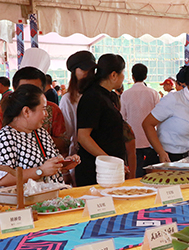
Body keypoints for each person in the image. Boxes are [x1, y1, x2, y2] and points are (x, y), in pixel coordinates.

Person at [0, 85, 80, 187]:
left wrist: (64, 164)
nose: (46, 114)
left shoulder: (41, 133)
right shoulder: (5, 137)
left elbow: (46, 165)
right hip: (27, 201)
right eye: (43, 109)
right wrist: (40, 171)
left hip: (50, 197)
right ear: (26, 111)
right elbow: (2, 179)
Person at [0, 66, 68, 156]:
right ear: (15, 89)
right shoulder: (2, 112)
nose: (30, 95)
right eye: (24, 90)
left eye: (35, 90)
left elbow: (64, 143)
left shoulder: (51, 113)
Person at [75, 54, 127, 186]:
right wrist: (109, 161)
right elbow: (83, 136)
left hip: (110, 169)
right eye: (123, 73)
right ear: (113, 75)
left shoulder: (108, 96)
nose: (124, 77)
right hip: (97, 171)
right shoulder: (93, 97)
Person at [120, 63, 160, 178]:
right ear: (146, 76)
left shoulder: (125, 94)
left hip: (133, 138)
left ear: (132, 76)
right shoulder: (153, 93)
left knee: (136, 170)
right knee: (151, 170)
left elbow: (122, 117)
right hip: (150, 138)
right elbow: (159, 116)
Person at [60, 51, 96, 163]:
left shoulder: (99, 95)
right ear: (74, 72)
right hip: (80, 156)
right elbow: (67, 135)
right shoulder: (68, 99)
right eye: (85, 70)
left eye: (92, 70)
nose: (89, 73)